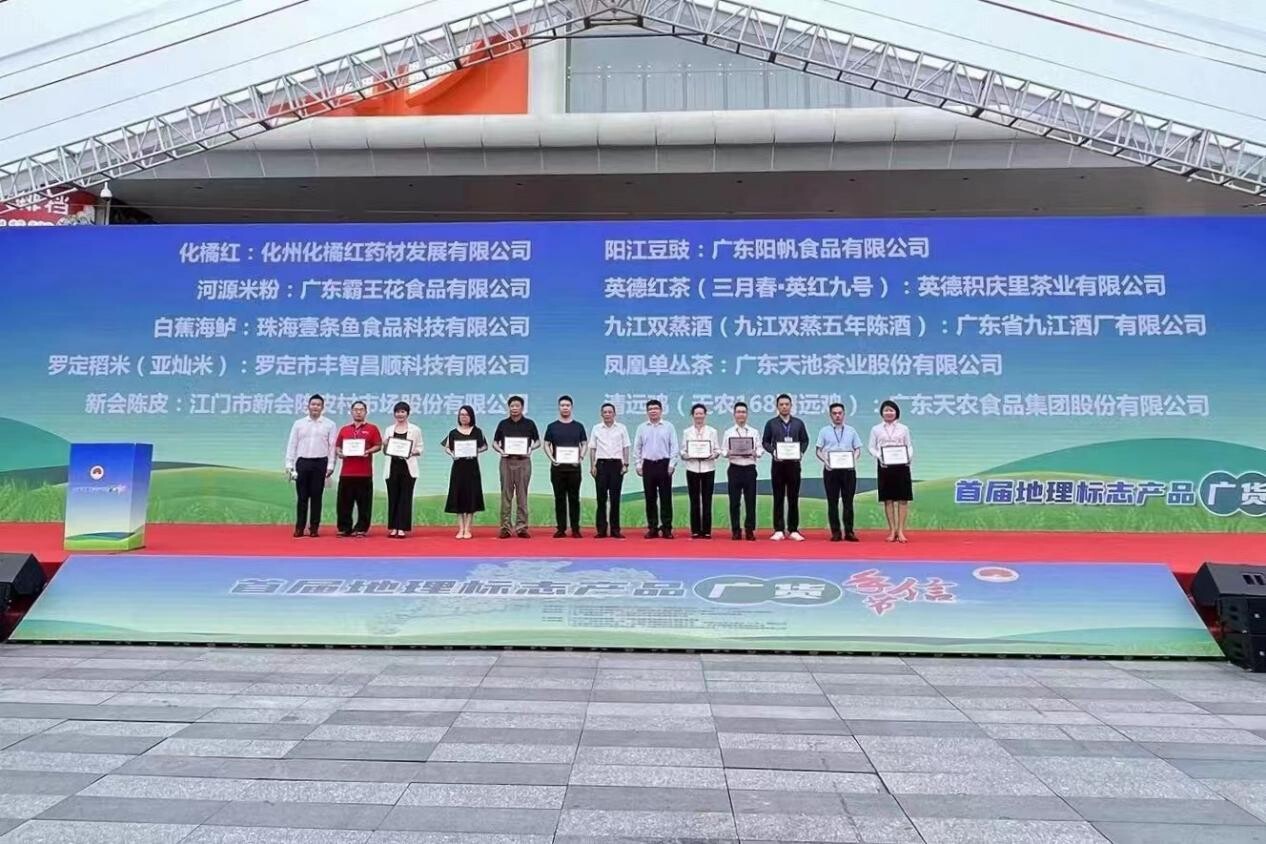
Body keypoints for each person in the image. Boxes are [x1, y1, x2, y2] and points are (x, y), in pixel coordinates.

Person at [284, 393, 337, 537]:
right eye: (313, 404)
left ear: (322, 408)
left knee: (316, 496)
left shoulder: (330, 424)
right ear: (308, 406)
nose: (315, 407)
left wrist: (331, 466)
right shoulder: (299, 424)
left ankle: (314, 528)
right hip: (303, 462)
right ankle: (299, 527)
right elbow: (292, 444)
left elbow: (332, 446)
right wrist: (289, 464)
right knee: (302, 497)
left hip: (320, 463)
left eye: (318, 405)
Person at [761, 393, 810, 541]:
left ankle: (793, 529)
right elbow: (765, 442)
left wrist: (801, 452)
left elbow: (805, 440)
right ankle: (778, 529)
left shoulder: (798, 423)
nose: (784, 407)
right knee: (778, 497)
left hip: (794, 465)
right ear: (777, 407)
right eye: (781, 404)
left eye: (787, 404)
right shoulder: (771, 423)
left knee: (793, 497)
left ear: (791, 406)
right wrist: (773, 451)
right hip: (778, 465)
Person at [491, 395, 539, 538]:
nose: (514, 408)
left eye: (517, 406)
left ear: (522, 407)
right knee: (506, 495)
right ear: (509, 407)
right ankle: (505, 528)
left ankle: (521, 527)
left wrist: (530, 449)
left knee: (522, 495)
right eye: (512, 406)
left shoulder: (529, 424)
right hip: (506, 461)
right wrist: (501, 451)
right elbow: (494, 443)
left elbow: (538, 442)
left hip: (523, 461)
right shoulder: (503, 424)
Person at [334, 400, 382, 537]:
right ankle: (344, 528)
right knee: (344, 503)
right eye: (356, 410)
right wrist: (339, 452)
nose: (358, 412)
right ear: (351, 412)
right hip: (346, 473)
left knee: (364, 504)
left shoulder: (372, 428)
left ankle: (361, 528)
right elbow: (337, 446)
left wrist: (368, 451)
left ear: (366, 412)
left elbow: (378, 445)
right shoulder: (344, 429)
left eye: (361, 410)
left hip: (364, 473)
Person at [869, 399, 914, 543]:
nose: (889, 413)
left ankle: (901, 531)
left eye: (891, 410)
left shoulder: (904, 428)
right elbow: (871, 447)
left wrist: (908, 458)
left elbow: (909, 446)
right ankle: (892, 530)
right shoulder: (876, 429)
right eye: (886, 410)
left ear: (896, 412)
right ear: (881, 413)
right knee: (888, 499)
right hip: (884, 466)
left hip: (901, 466)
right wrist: (880, 456)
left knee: (902, 499)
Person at [816, 402, 863, 542]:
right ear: (830, 415)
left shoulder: (851, 431)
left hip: (848, 471)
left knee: (848, 502)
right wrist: (826, 461)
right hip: (831, 471)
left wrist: (853, 460)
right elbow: (818, 450)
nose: (837, 416)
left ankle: (849, 532)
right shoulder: (824, 431)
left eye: (840, 413)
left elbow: (858, 449)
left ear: (844, 414)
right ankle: (835, 532)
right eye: (834, 413)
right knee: (832, 502)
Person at [633, 399, 679, 539]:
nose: (653, 411)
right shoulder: (642, 427)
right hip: (648, 465)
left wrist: (672, 464)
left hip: (664, 465)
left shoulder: (669, 427)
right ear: (647, 412)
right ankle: (652, 528)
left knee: (666, 498)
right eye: (650, 409)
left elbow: (674, 447)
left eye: (656, 408)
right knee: (650, 498)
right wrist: (638, 465)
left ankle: (666, 528)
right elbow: (637, 447)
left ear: (661, 410)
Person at [544, 395, 588, 538]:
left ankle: (575, 529)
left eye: (567, 405)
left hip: (574, 468)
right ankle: (561, 528)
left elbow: (584, 444)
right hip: (557, 468)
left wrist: (580, 458)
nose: (565, 408)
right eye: (562, 405)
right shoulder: (552, 426)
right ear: (559, 407)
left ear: (571, 407)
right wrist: (552, 459)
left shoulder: (578, 426)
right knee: (559, 498)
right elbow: (546, 444)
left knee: (574, 498)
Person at [441, 405, 487, 540]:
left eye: (466, 415)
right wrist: (452, 454)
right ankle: (460, 529)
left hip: (472, 468)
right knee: (459, 496)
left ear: (471, 416)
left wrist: (475, 451)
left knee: (471, 496)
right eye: (461, 414)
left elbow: (485, 446)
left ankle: (468, 529)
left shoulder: (477, 431)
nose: (464, 417)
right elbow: (447, 448)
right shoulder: (453, 432)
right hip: (458, 468)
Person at [589, 402, 630, 539]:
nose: (607, 414)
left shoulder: (622, 428)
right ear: (601, 414)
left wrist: (626, 464)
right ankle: (601, 530)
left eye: (610, 412)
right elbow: (592, 448)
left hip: (616, 465)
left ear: (614, 414)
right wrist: (592, 465)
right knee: (601, 499)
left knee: (615, 498)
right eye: (605, 412)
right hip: (601, 464)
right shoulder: (596, 428)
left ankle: (615, 530)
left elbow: (626, 447)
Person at [680, 403, 721, 539]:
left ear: (705, 415)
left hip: (708, 469)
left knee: (707, 500)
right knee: (694, 500)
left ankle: (707, 530)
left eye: (701, 413)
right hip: (692, 468)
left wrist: (713, 455)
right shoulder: (687, 432)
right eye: (696, 414)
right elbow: (682, 451)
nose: (699, 416)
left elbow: (717, 450)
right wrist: (687, 455)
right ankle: (696, 530)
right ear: (692, 415)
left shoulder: (712, 431)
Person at [383, 401, 423, 538]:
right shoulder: (389, 430)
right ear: (394, 414)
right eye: (397, 412)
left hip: (408, 468)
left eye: (402, 412)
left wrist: (411, 452)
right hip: (392, 467)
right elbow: (385, 451)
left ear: (407, 413)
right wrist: (385, 445)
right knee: (393, 497)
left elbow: (420, 448)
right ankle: (394, 527)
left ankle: (402, 528)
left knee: (405, 498)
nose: (400, 414)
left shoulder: (415, 430)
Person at [722, 401, 760, 541]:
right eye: (738, 412)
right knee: (734, 501)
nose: (741, 415)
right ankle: (736, 530)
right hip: (735, 468)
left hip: (749, 469)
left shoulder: (754, 432)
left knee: (750, 501)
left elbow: (760, 449)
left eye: (743, 412)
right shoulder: (728, 432)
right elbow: (723, 450)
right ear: (734, 414)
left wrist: (755, 452)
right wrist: (729, 452)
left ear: (747, 414)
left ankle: (749, 530)